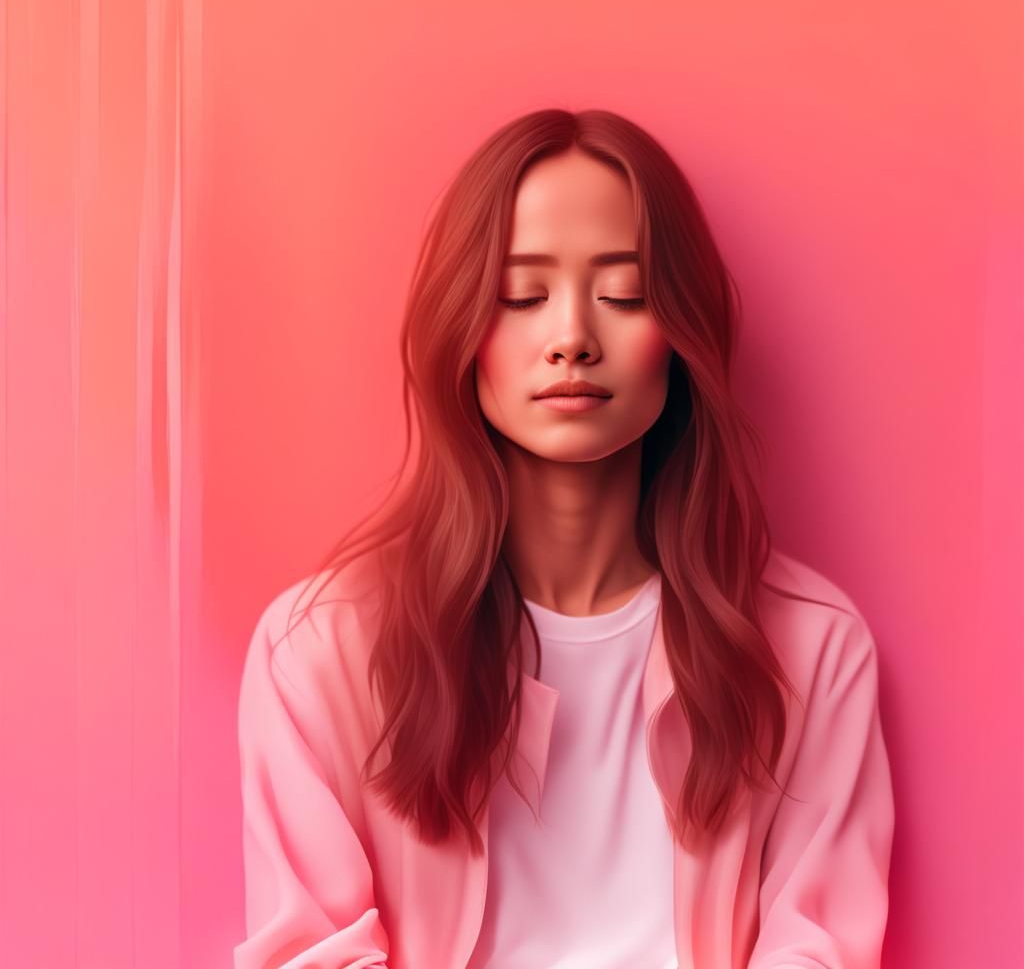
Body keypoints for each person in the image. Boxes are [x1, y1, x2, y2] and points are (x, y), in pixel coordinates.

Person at [232, 109, 895, 969]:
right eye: (521, 296)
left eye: (622, 294)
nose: (573, 339)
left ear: (681, 337)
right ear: (463, 331)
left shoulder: (810, 650)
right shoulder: (318, 653)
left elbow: (821, 950)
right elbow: (308, 953)